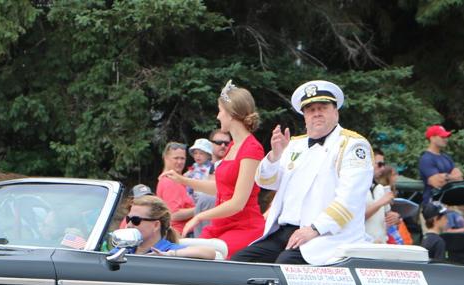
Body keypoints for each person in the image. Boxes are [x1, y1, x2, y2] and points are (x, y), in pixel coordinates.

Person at [233, 80, 371, 265]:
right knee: (240, 262)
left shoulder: (352, 145)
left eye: (323, 107)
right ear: (304, 115)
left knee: (285, 265)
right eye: (311, 110)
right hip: (284, 232)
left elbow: (350, 199)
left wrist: (314, 229)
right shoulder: (295, 144)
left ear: (335, 111)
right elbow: (266, 182)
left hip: (325, 235)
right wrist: (275, 155)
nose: (317, 113)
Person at [168, 82, 266, 258]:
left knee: (193, 255)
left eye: (220, 110)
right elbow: (221, 188)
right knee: (176, 249)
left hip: (243, 228)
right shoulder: (233, 146)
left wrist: (199, 216)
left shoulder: (252, 149)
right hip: (220, 226)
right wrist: (183, 180)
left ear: (232, 114)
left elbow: (238, 203)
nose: (218, 115)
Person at [119, 195, 216, 259]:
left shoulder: (167, 249)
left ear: (156, 225)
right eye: (128, 219)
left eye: (136, 220)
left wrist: (170, 254)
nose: (129, 225)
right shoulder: (125, 249)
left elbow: (210, 253)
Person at [154, 142, 194, 236]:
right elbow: (174, 215)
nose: (179, 162)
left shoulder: (177, 179)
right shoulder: (169, 182)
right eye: (176, 158)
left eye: (182, 158)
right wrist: (201, 208)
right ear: (166, 158)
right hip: (180, 235)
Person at [418, 124, 463, 206]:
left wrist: (445, 177)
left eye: (446, 137)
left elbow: (460, 178)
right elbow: (437, 183)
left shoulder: (446, 157)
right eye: (442, 137)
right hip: (433, 205)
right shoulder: (426, 159)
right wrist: (452, 177)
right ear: (432, 138)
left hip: (448, 202)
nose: (446, 139)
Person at [365, 149, 400, 244]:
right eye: (380, 164)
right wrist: (380, 203)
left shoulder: (380, 188)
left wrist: (396, 218)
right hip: (363, 247)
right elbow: (355, 219)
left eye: (383, 165)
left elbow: (387, 215)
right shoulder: (355, 187)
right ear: (368, 162)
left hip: (382, 245)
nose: (383, 168)